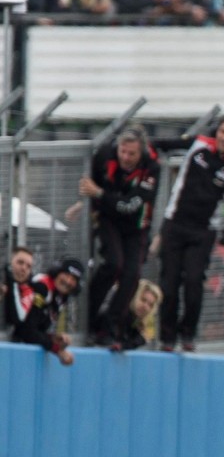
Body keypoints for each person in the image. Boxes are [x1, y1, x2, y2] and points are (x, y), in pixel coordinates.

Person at [154, 114, 224, 352]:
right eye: (223, 132)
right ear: (215, 132)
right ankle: (167, 337)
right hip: (175, 223)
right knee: (169, 282)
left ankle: (188, 334)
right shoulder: (197, 144)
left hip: (204, 231)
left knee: (194, 281)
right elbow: (161, 144)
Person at [82, 124, 161, 347]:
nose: (126, 157)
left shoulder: (152, 167)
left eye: (132, 154)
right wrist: (87, 202)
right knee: (113, 264)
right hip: (107, 219)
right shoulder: (105, 154)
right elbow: (88, 185)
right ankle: (87, 318)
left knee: (132, 275)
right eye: (122, 152)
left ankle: (110, 327)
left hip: (136, 225)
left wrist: (100, 193)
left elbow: (130, 205)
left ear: (141, 152)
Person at [8, 256, 85, 367]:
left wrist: (54, 338)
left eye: (73, 279)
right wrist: (56, 349)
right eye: (66, 275)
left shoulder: (60, 297)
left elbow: (37, 329)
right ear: (57, 273)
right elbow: (26, 330)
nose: (68, 281)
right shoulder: (42, 287)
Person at [112, 278, 163, 352]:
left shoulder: (137, 325)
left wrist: (140, 340)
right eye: (143, 300)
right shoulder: (117, 314)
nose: (145, 307)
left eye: (150, 305)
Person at [2, 246, 35, 330]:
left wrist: (12, 282)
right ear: (10, 262)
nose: (24, 268)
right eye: (20, 262)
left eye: (28, 266)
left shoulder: (29, 290)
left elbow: (18, 318)